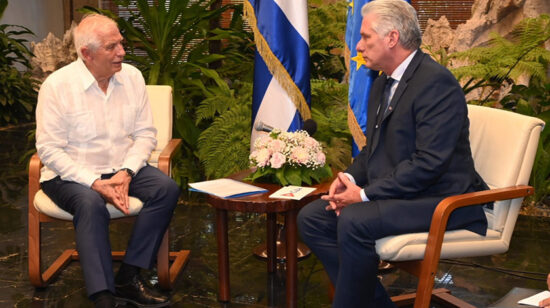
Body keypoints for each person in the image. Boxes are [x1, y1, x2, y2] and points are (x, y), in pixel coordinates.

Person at [297, 0, 489, 307]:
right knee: (312, 218)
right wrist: (348, 177)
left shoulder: (436, 83)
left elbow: (429, 164)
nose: (358, 46)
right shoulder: (382, 81)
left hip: (442, 199)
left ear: (392, 38)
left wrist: (363, 195)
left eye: (365, 38)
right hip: (406, 192)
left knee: (355, 219)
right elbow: (374, 149)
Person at [35, 14, 180, 308]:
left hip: (123, 165)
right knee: (90, 203)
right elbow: (49, 150)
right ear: (86, 54)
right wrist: (94, 182)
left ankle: (129, 275)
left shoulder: (132, 77)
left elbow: (145, 135)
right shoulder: (57, 87)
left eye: (121, 44)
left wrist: (127, 171)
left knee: (165, 188)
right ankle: (102, 295)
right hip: (70, 175)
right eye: (111, 47)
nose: (122, 53)